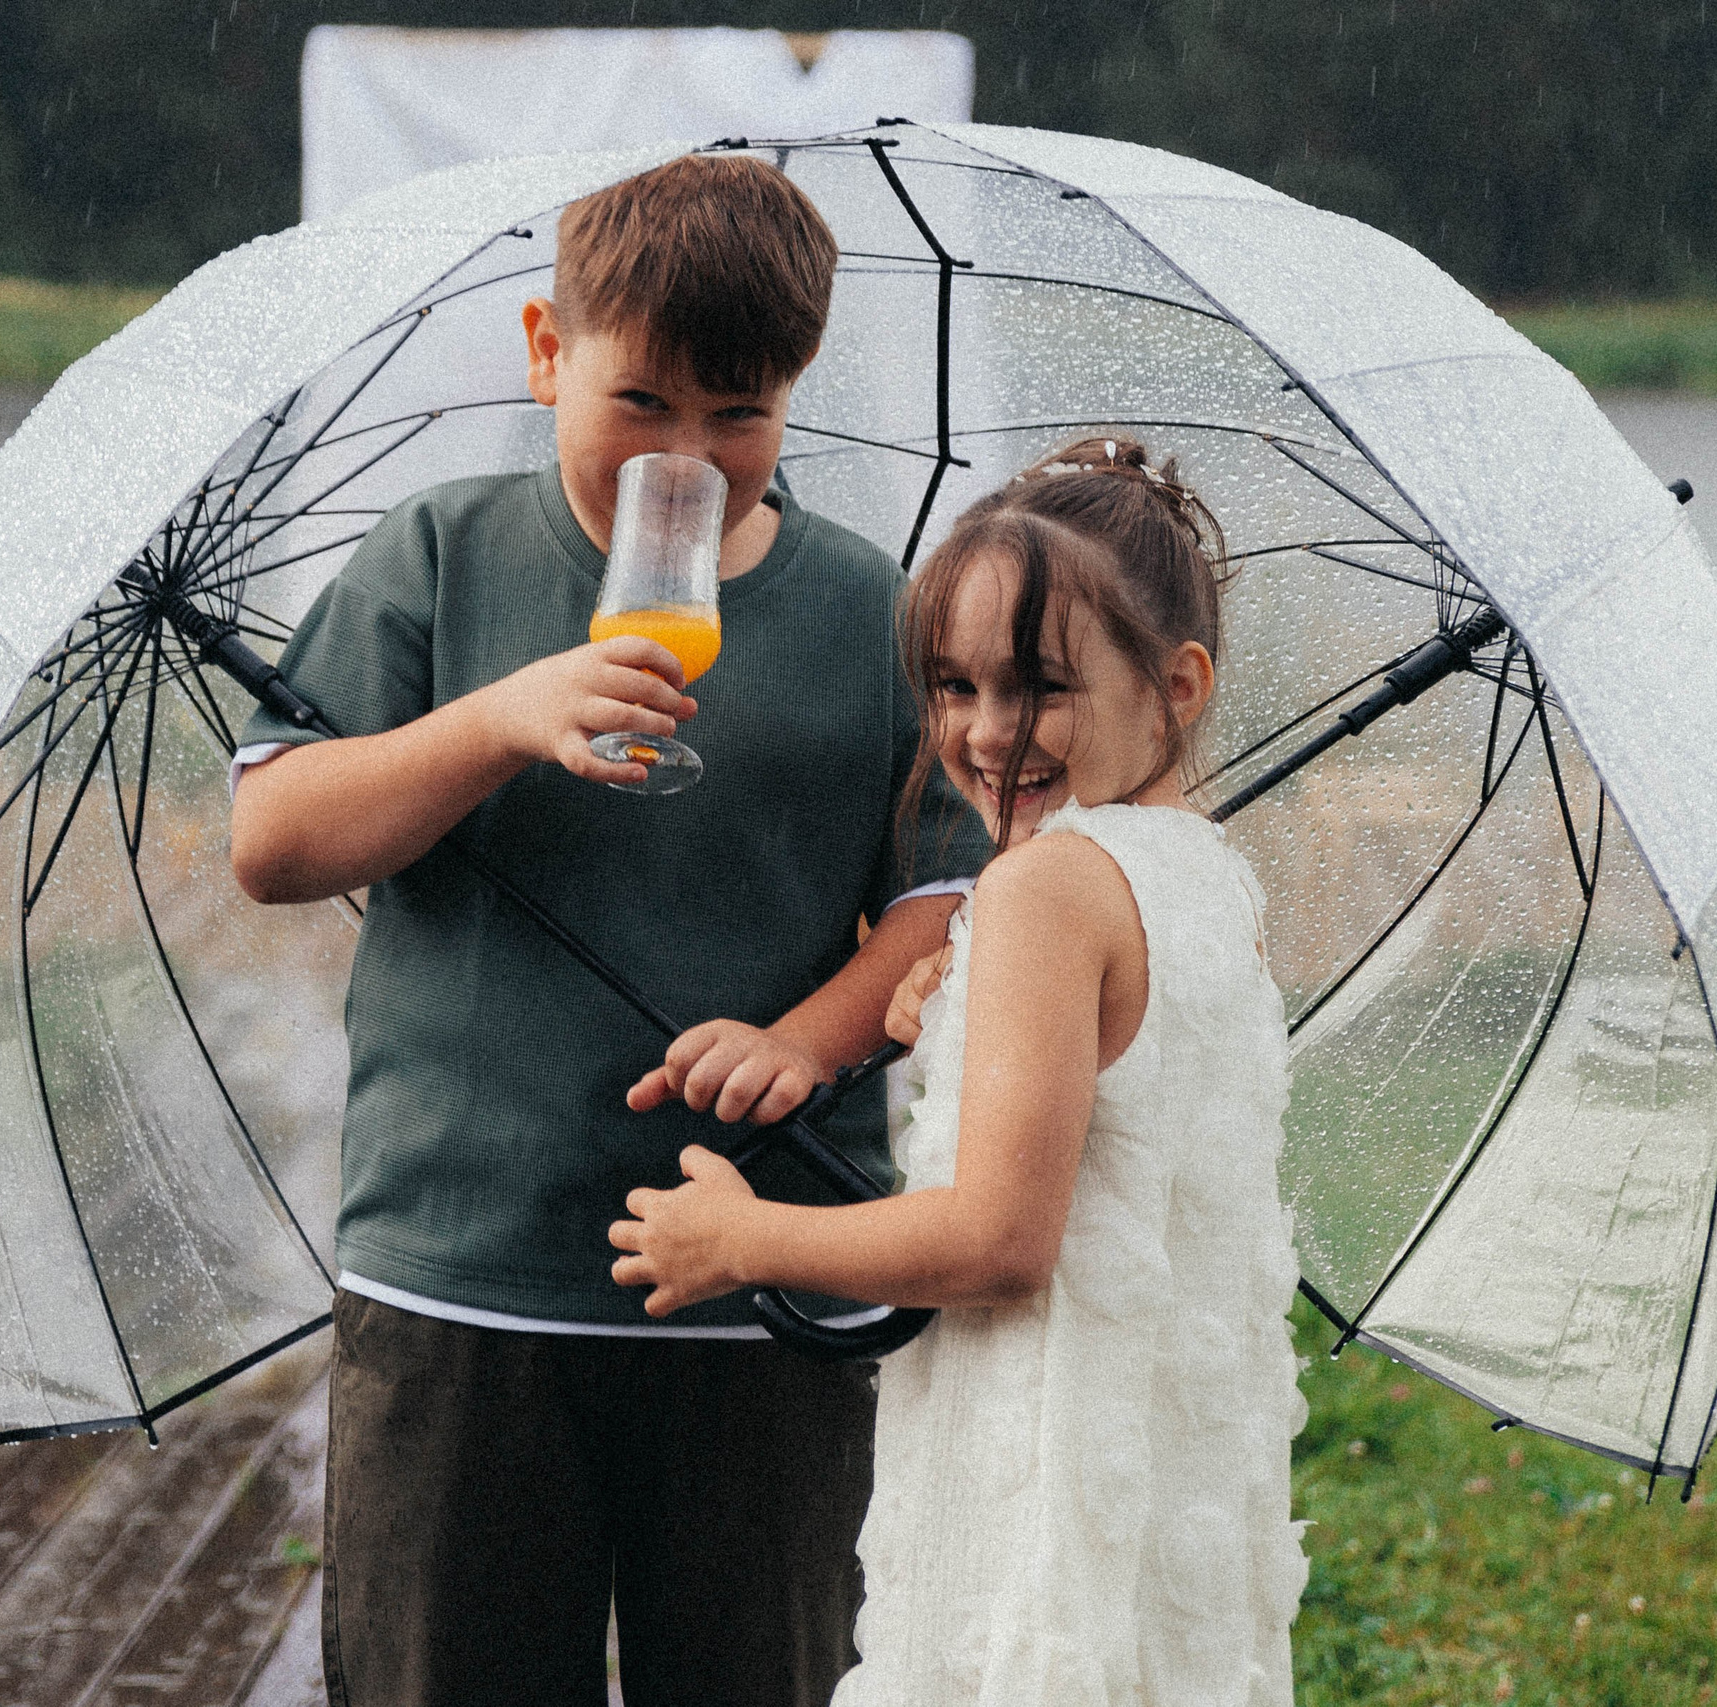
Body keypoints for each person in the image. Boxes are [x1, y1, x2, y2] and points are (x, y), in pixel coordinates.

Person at [229, 153, 987, 1707]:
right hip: (464, 1268)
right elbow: (275, 838)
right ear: (544, 352)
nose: (689, 459)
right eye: (641, 404)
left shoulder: (869, 612)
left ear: (797, 390)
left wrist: (807, 1038)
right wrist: (498, 718)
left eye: (740, 415)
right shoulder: (442, 557)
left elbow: (947, 892)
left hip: (771, 1277)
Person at [610, 437, 1312, 1705]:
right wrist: (961, 1003)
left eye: (1040, 687)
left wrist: (741, 1239)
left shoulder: (1046, 884)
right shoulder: (1210, 880)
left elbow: (998, 1241)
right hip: (1168, 1489)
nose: (988, 736)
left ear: (1181, 681)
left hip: (1041, 1492)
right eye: (951, 686)